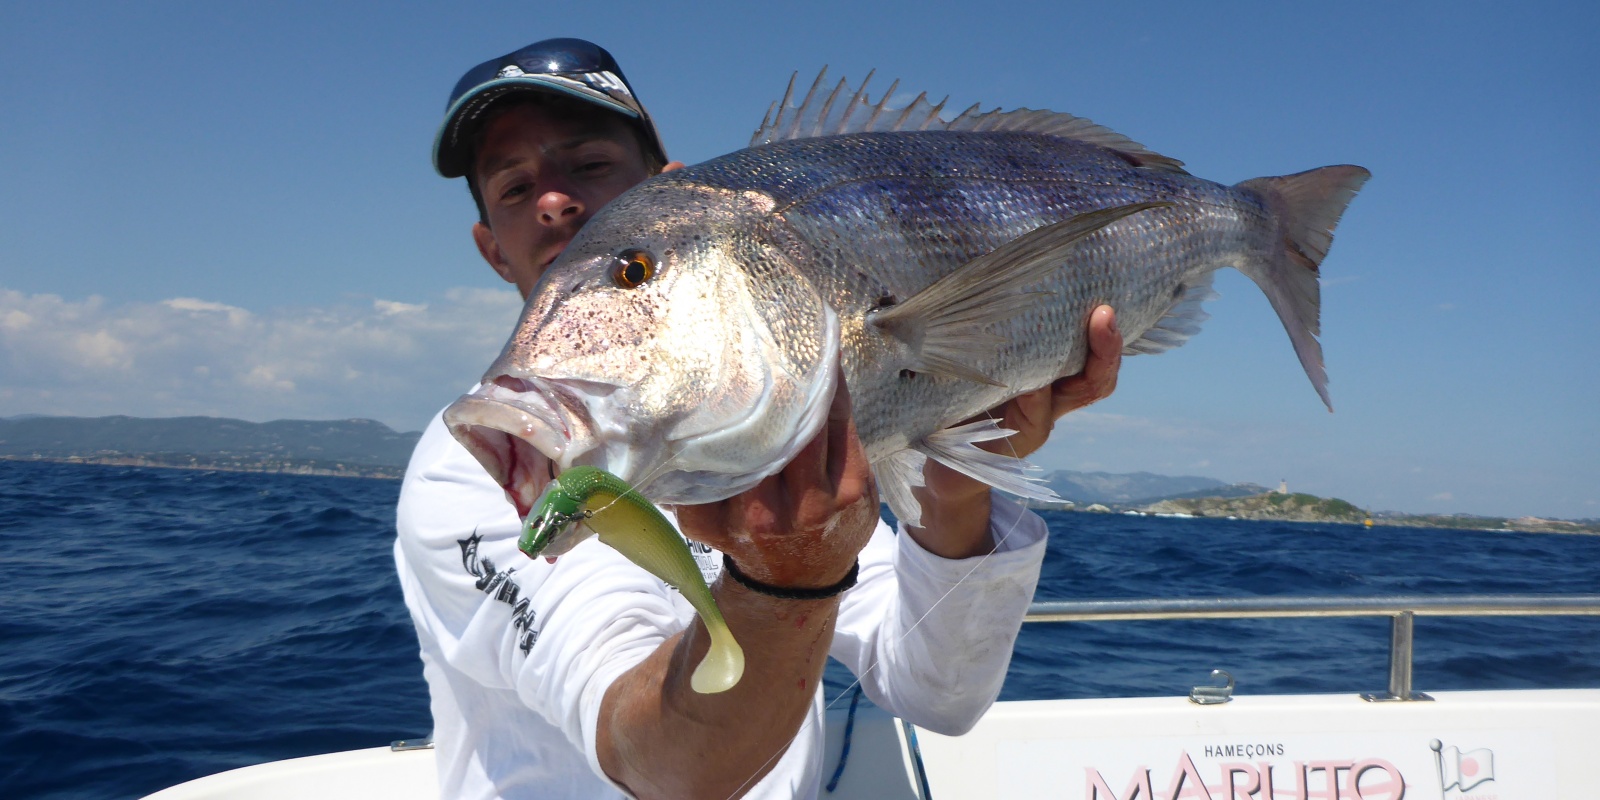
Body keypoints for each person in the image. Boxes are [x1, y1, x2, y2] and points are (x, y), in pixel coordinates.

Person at [395, 37, 1124, 800]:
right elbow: (661, 766)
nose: (553, 199)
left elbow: (937, 691)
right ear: (491, 250)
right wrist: (788, 584)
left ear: (668, 189)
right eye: (514, 189)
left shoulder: (778, 433)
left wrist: (958, 487)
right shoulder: (474, 469)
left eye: (589, 165)